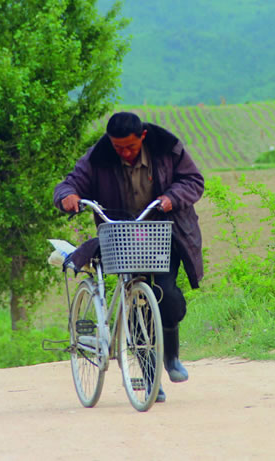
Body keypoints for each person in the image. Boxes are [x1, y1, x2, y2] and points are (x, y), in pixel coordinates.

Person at [53, 112, 204, 403]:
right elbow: (70, 183)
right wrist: (67, 196)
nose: (123, 152)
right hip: (122, 236)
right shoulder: (99, 156)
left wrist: (172, 196)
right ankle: (150, 379)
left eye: (130, 147)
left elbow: (193, 180)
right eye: (118, 147)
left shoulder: (167, 149)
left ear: (143, 137)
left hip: (163, 233)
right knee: (133, 303)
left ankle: (171, 356)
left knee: (166, 293)